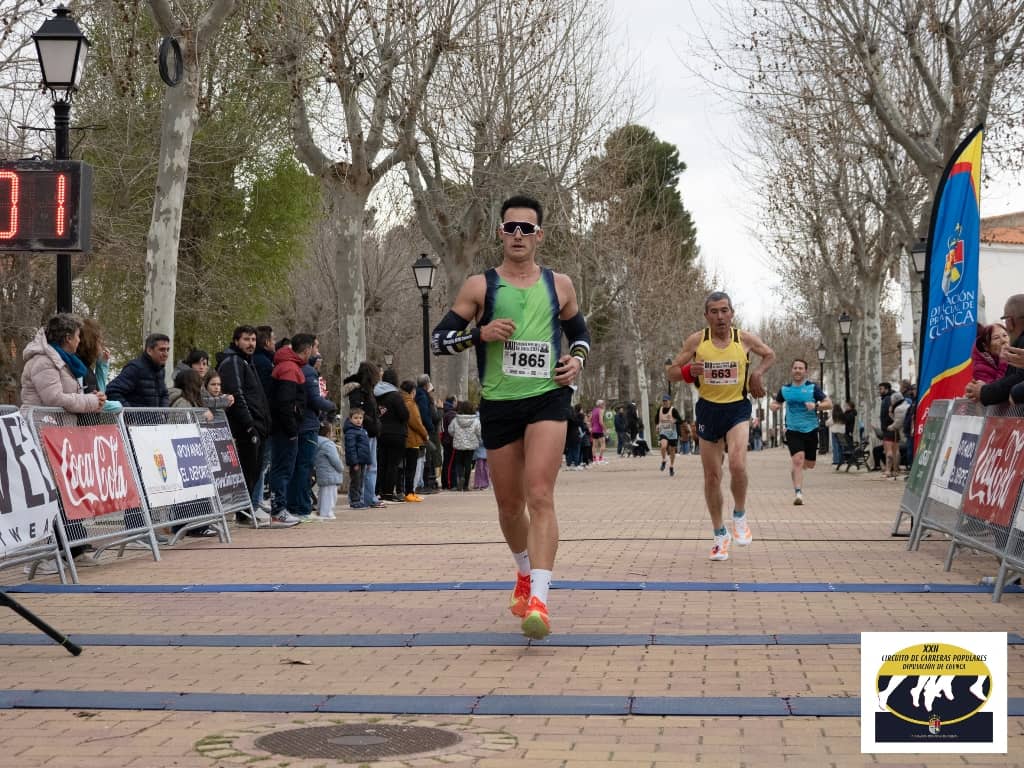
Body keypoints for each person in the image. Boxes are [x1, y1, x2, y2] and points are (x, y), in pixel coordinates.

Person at [431, 194, 589, 639]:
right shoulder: (479, 286)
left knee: (540, 494)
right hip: (499, 403)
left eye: (527, 228)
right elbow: (439, 341)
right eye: (510, 228)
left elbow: (580, 334)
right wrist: (478, 334)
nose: (518, 235)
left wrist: (577, 360)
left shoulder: (560, 284)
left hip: (548, 398)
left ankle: (539, 599)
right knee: (509, 506)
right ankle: (523, 571)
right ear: (500, 233)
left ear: (540, 236)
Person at [666, 291, 775, 561]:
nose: (720, 317)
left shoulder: (744, 339)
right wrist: (688, 371)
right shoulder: (697, 341)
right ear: (706, 316)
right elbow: (670, 372)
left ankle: (740, 515)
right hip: (708, 409)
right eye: (714, 312)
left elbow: (769, 354)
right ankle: (719, 534)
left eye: (724, 311)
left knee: (737, 464)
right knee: (712, 476)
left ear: (732, 313)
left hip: (737, 408)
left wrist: (757, 374)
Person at [20, 313, 107, 575]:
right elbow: (54, 398)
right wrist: (90, 402)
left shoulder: (62, 361)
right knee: (49, 495)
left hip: (58, 435)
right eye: (78, 336)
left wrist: (92, 398)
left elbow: (67, 394)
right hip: (42, 434)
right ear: (68, 338)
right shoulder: (43, 361)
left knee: (63, 494)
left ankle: (69, 549)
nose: (80, 341)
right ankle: (42, 554)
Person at [217, 325, 272, 523]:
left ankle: (246, 510)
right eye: (246, 339)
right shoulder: (233, 361)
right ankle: (243, 512)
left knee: (254, 471)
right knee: (247, 471)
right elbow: (237, 395)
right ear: (236, 341)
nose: (251, 344)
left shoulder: (247, 362)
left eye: (253, 340)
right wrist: (250, 425)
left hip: (259, 426)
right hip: (246, 428)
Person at [770, 359, 831, 504]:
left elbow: (829, 403)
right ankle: (798, 494)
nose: (797, 370)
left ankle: (797, 468)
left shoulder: (812, 388)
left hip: (811, 429)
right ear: (792, 370)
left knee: (809, 464)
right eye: (795, 368)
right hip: (793, 429)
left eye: (800, 368)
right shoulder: (785, 389)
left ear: (805, 371)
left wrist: (816, 406)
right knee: (798, 460)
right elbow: (776, 403)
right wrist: (773, 406)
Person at [267, 336, 311, 526]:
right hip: (285, 429)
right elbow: (285, 403)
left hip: (284, 427)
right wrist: (292, 429)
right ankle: (278, 510)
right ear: (307, 349)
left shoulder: (288, 366)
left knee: (282, 468)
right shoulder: (289, 369)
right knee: (282, 469)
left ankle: (279, 508)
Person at [292, 334, 336, 518]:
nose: (318, 352)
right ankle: (302, 507)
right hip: (307, 424)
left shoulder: (297, 368)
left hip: (298, 423)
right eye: (316, 347)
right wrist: (331, 406)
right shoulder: (308, 371)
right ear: (308, 349)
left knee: (297, 466)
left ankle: (295, 504)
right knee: (304, 466)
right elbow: (314, 399)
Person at [966, 295, 1024, 405]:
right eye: (996, 338)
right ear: (986, 346)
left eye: (1004, 335)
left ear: (1010, 323)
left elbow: (1019, 378)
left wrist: (984, 391)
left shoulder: (1018, 345)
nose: (1003, 340)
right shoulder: (980, 367)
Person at [342, 362, 386, 509]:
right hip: (364, 433)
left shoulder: (367, 390)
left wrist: (377, 414)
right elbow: (358, 411)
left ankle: (368, 497)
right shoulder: (359, 391)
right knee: (364, 468)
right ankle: (360, 498)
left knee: (370, 467)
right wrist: (372, 421)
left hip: (370, 431)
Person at [106, 333, 171, 408]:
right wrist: (130, 412)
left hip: (155, 416)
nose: (166, 354)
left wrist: (163, 412)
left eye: (167, 350)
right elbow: (111, 391)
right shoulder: (135, 368)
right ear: (149, 350)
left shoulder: (160, 370)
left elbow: (164, 394)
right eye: (162, 350)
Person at [400, 379, 428, 502]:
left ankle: (407, 491)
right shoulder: (410, 404)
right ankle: (409, 492)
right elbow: (416, 422)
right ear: (412, 391)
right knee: (411, 468)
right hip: (412, 439)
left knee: (404, 467)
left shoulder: (400, 401)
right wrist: (425, 434)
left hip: (404, 437)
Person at [448, 400, 482, 491]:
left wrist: (456, 436)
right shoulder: (476, 420)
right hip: (471, 445)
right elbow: (479, 432)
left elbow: (450, 430)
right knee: (468, 463)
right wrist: (478, 440)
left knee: (459, 463)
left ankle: (461, 476)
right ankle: (466, 485)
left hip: (459, 444)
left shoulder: (455, 420)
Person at [343, 407, 372, 509]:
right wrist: (354, 463)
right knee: (355, 481)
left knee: (360, 481)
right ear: (350, 419)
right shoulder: (350, 432)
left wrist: (369, 462)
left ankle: (359, 500)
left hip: (363, 461)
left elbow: (366, 448)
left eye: (360, 418)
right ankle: (354, 501)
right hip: (356, 462)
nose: (358, 420)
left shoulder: (363, 431)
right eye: (355, 418)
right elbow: (350, 449)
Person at [313, 424, 343, 519]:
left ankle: (320, 510)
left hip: (322, 472)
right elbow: (335, 460)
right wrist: (341, 468)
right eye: (332, 431)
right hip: (330, 473)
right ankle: (327, 513)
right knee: (330, 495)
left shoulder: (317, 442)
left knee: (323, 493)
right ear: (328, 433)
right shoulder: (328, 444)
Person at [655, 394, 683, 476]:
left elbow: (680, 420)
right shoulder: (660, 409)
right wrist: (657, 425)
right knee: (663, 446)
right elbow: (656, 419)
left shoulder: (673, 410)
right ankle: (664, 460)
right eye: (663, 401)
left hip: (673, 433)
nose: (664, 402)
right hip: (663, 431)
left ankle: (671, 466)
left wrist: (675, 421)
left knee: (672, 451)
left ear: (669, 401)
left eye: (666, 401)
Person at [589, 399, 607, 464]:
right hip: (599, 430)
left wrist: (591, 427)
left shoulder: (593, 410)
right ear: (600, 405)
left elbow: (590, 419)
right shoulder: (601, 411)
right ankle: (600, 458)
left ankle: (594, 459)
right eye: (603, 404)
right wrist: (605, 428)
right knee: (603, 444)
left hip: (593, 430)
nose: (604, 405)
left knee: (594, 445)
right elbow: (600, 421)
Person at [829, 403, 846, 468]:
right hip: (842, 432)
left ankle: (836, 460)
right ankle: (842, 460)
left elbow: (828, 423)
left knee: (835, 446)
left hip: (835, 432)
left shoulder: (834, 416)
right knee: (841, 446)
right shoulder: (842, 415)